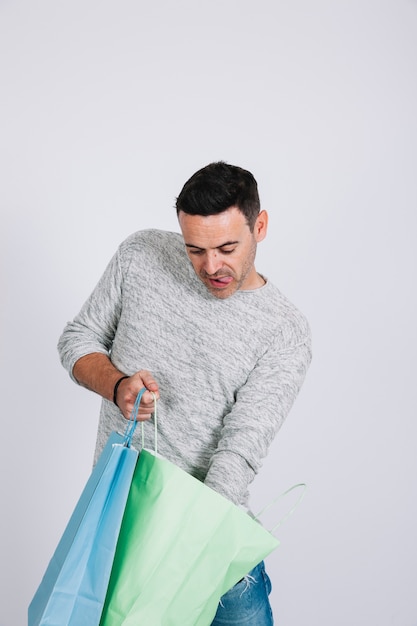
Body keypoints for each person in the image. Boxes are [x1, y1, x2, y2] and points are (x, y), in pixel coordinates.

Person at [58, 161, 312, 624]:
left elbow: (239, 452)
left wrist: (180, 554)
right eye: (194, 249)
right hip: (115, 528)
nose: (210, 266)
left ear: (261, 226)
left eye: (227, 248)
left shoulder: (284, 332)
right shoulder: (140, 255)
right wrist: (117, 387)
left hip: (210, 549)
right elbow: (78, 339)